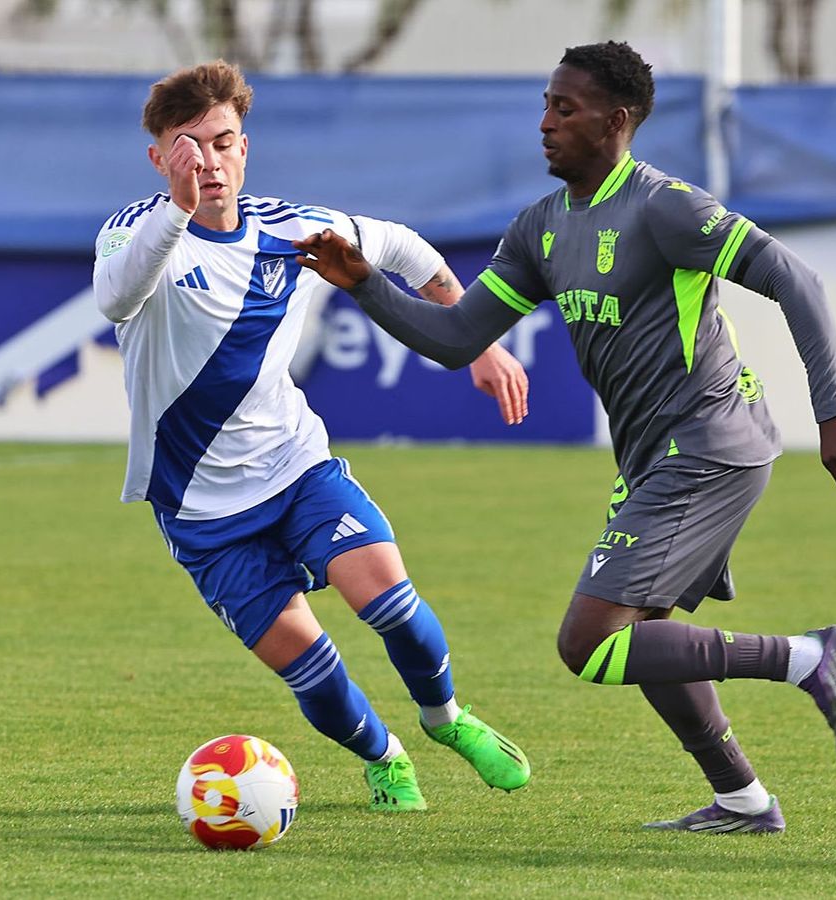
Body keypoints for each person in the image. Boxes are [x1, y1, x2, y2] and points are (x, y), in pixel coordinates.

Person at [295, 41, 836, 834]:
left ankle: (812, 658)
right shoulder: (540, 229)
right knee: (646, 633)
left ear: (617, 120)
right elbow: (460, 337)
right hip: (654, 455)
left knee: (589, 642)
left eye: (565, 109)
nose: (546, 124)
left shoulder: (665, 208)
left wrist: (832, 409)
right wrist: (365, 283)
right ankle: (744, 800)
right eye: (545, 104)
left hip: (709, 441)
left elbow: (794, 280)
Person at [92, 60, 532, 813]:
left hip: (297, 469)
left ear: (245, 145)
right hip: (203, 514)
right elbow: (115, 297)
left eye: (223, 142)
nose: (210, 161)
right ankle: (385, 757)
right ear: (159, 157)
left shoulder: (292, 228)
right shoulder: (139, 230)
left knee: (395, 606)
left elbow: (405, 250)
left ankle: (445, 719)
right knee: (314, 673)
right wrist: (178, 206)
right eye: (188, 146)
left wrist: (479, 344)